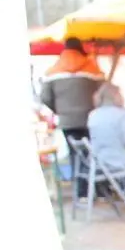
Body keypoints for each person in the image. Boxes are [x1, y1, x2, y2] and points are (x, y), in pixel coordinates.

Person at [39, 38, 105, 195]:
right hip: (91, 119)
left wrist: (59, 109)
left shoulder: (53, 71)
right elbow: (103, 90)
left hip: (67, 121)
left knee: (75, 153)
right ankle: (98, 189)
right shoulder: (91, 67)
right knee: (93, 153)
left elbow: (45, 97)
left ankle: (81, 192)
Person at [86, 83, 125, 181]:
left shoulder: (92, 115)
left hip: (98, 163)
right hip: (120, 163)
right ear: (115, 96)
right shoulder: (121, 115)